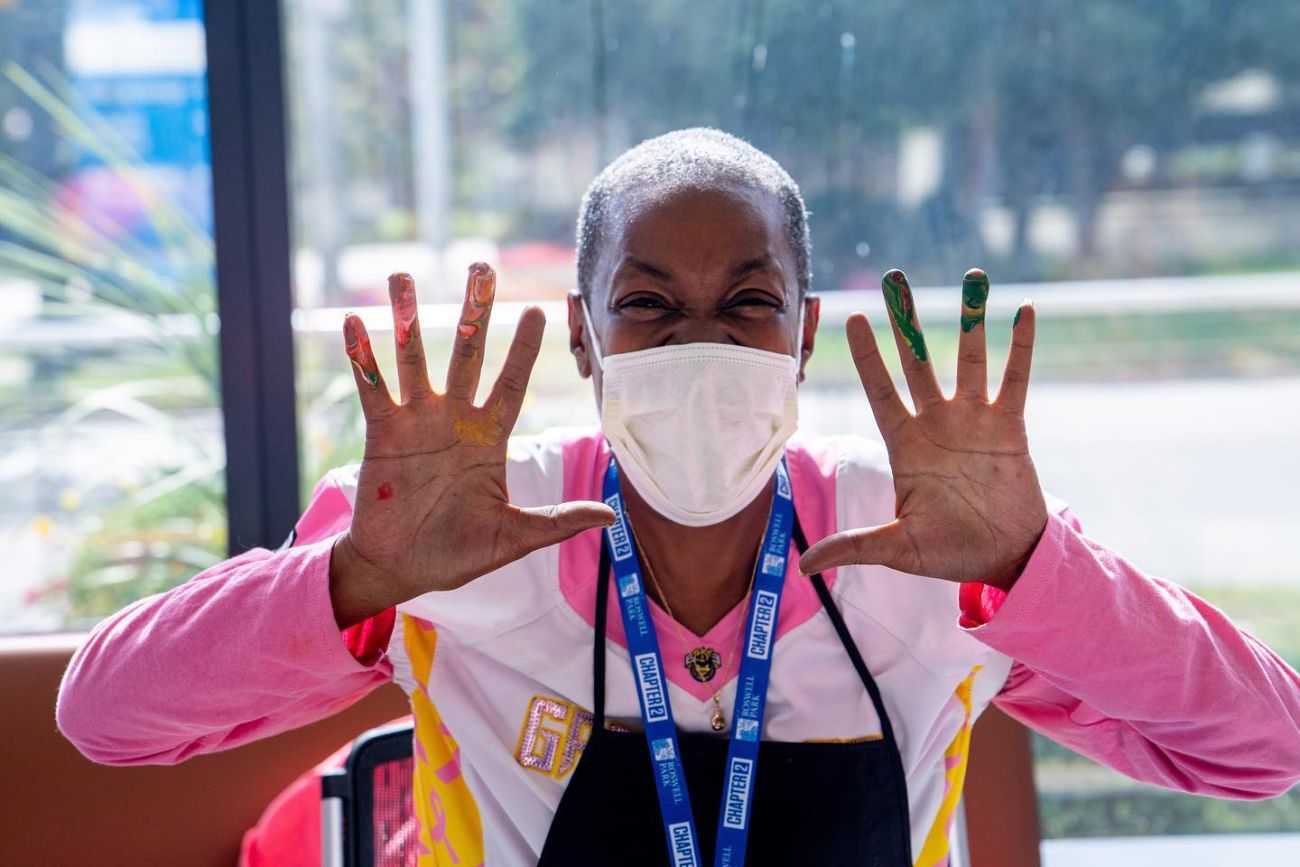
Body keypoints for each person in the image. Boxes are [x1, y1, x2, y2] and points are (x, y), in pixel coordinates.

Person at [58, 129, 1300, 866]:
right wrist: (357, 579)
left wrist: (1035, 568)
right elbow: (106, 719)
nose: (697, 342)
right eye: (647, 303)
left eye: (746, 302)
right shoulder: (448, 533)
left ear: (802, 335)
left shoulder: (932, 541)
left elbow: (1267, 749)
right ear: (584, 340)